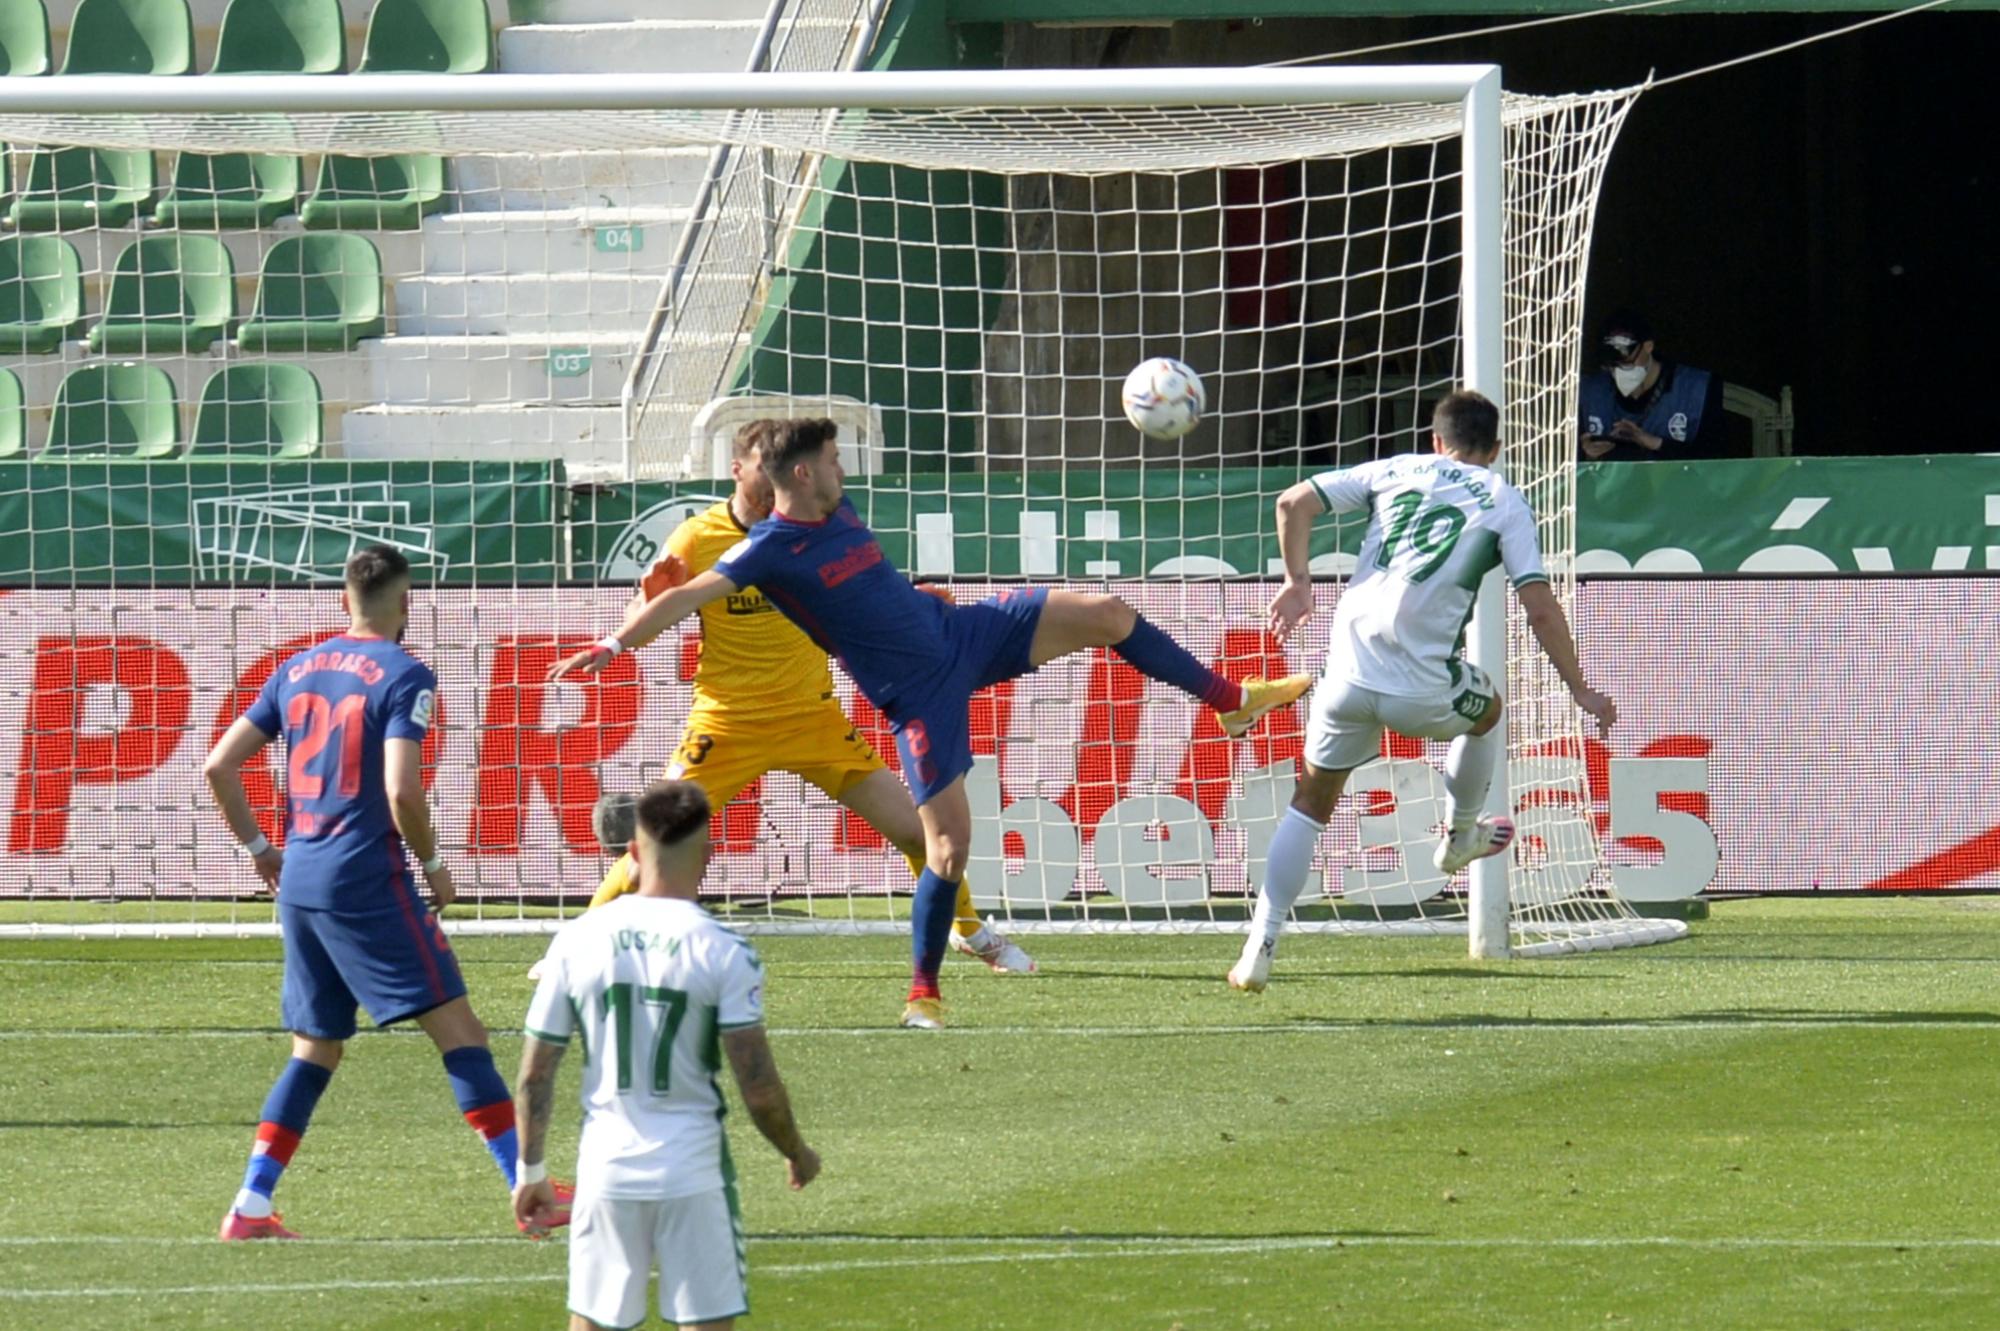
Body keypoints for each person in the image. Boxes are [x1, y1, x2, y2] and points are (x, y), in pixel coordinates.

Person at [548, 417, 1310, 1029]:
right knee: (945, 846)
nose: (846, 472)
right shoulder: (767, 550)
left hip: (961, 635)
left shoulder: (838, 510)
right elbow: (685, 596)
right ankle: (923, 990)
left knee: (1107, 613)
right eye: (834, 460)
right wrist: (616, 642)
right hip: (916, 697)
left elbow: (867, 587)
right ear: (804, 474)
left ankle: (1230, 701)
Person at [204, 545, 569, 1240]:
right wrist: (432, 862)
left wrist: (259, 850)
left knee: (315, 1048)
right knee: (461, 1034)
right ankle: (531, 1189)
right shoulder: (407, 674)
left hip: (302, 879)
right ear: (407, 604)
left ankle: (251, 1204)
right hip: (364, 879)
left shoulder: (296, 666)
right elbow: (402, 789)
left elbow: (218, 765)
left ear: (345, 601)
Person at [583, 420, 1033, 975]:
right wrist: (634, 616)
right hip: (728, 724)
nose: (770, 482)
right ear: (739, 470)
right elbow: (648, 611)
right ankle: (580, 940)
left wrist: (913, 603)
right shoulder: (698, 538)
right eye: (757, 469)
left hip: (814, 718)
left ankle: (969, 930)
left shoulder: (814, 524)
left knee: (919, 833)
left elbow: (859, 590)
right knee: (658, 836)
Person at [1230, 390, 1618, 992]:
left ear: (1437, 441)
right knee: (1487, 710)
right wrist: (1581, 689)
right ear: (1494, 449)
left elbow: (1293, 501)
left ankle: (1262, 941)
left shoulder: (1396, 469)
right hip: (1421, 687)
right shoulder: (1503, 499)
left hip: (1347, 677)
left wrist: (1297, 581)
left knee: (1309, 807)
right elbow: (1538, 607)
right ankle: (1462, 831)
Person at [513, 780, 820, 1331]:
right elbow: (759, 1087)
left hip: (605, 1170)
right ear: (707, 855)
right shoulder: (723, 949)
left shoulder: (577, 940)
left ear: (631, 853)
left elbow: (535, 1074)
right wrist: (796, 1150)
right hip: (693, 1172)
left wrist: (530, 1169)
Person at [1578, 309, 1725, 461]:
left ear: (1648, 347)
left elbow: (1715, 460)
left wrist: (1654, 442)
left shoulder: (1694, 389)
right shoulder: (1591, 391)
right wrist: (1589, 455)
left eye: (1626, 361)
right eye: (1612, 365)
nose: (1618, 371)